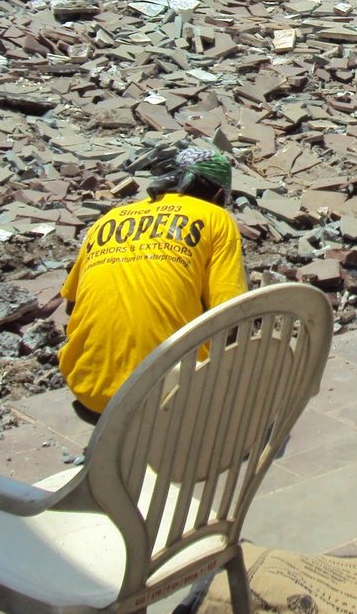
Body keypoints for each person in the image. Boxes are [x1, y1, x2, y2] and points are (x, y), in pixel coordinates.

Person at [58, 145, 248, 417]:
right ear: (218, 194)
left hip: (88, 391)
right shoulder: (216, 218)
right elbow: (231, 315)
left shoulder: (110, 218)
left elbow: (71, 304)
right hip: (172, 393)